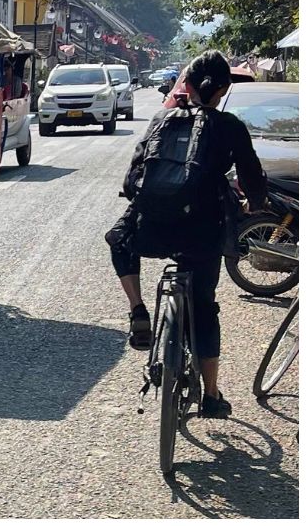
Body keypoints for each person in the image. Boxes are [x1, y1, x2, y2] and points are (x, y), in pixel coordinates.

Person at [106, 50, 267, 419]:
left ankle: (138, 309)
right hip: (203, 232)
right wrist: (254, 205)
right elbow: (252, 178)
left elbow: (133, 179)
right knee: (205, 308)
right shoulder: (230, 126)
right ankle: (211, 395)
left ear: (187, 86)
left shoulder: (163, 119)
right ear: (223, 89)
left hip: (153, 228)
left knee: (118, 237)